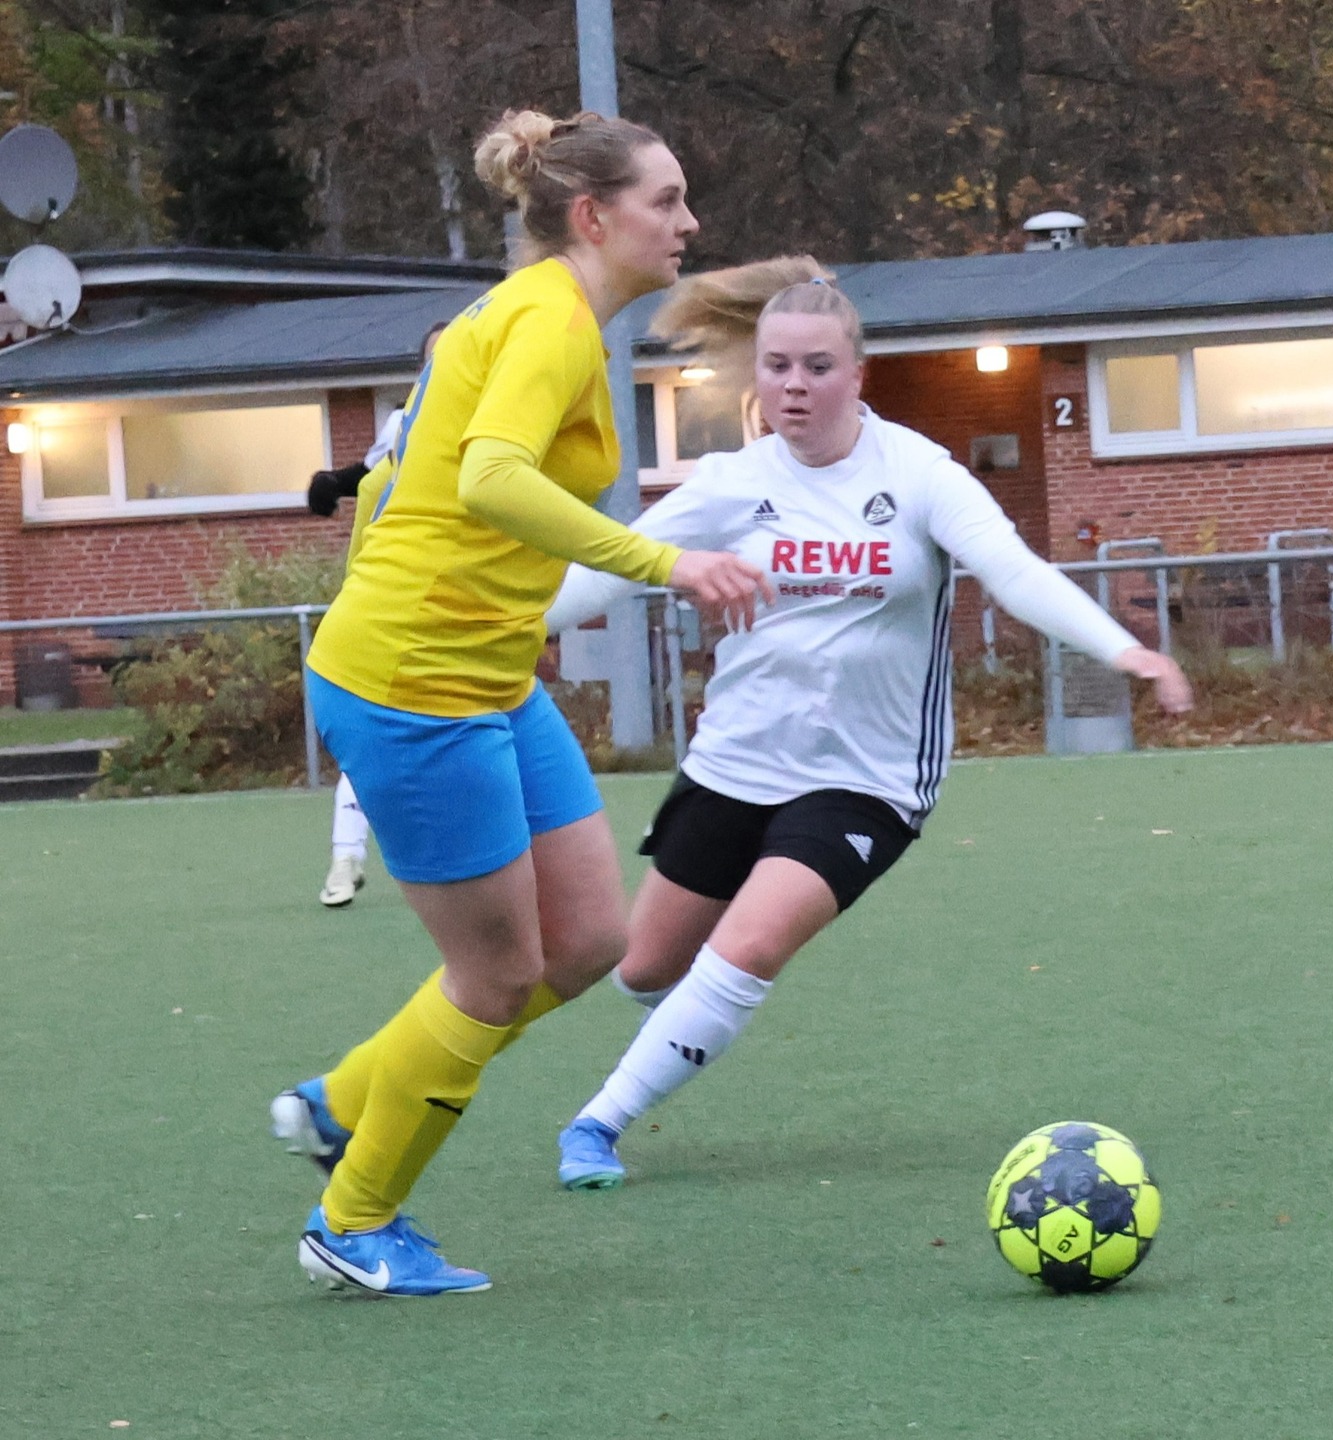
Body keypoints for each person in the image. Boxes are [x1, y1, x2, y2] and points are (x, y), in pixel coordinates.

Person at [544, 258, 1193, 1191]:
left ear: (859, 374)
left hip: (868, 777)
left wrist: (1121, 648)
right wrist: (494, 635)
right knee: (643, 969)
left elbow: (1013, 572)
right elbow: (610, 570)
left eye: (816, 367)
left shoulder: (919, 475)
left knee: (752, 945)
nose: (793, 387)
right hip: (735, 761)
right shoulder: (735, 482)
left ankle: (596, 1125)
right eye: (776, 367)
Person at [268, 108, 771, 1297]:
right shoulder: (545, 319)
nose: (690, 222)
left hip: (487, 677)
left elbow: (442, 468)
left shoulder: (531, 314)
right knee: (495, 979)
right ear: (594, 216)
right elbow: (491, 476)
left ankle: (348, 1099)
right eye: (667, 200)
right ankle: (354, 1220)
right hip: (415, 687)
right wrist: (667, 561)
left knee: (593, 940)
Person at [314, 322, 447, 909]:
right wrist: (333, 484)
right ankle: (346, 856)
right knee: (376, 736)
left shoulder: (507, 422)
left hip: (473, 614)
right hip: (403, 609)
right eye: (435, 359)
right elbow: (375, 480)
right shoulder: (404, 424)